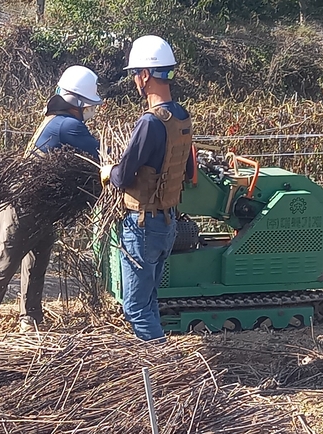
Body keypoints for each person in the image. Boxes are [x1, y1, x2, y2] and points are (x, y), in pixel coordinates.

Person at [0, 65, 102, 334]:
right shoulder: (68, 125)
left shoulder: (55, 120)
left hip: (40, 204)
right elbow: (99, 154)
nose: (90, 109)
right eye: (88, 104)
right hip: (23, 202)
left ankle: (29, 318)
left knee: (37, 259)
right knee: (7, 260)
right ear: (76, 102)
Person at [100, 35, 195, 342]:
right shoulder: (181, 116)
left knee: (136, 308)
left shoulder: (150, 122)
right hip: (167, 223)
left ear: (144, 76)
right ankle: (159, 362)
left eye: (134, 75)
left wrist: (107, 171)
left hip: (142, 225)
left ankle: (161, 367)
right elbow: (189, 171)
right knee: (149, 301)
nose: (134, 82)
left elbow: (123, 176)